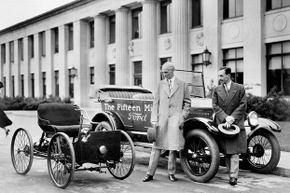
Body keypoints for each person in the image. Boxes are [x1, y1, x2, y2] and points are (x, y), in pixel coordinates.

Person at [143, 62, 190, 182]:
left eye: (166, 72)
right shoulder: (160, 84)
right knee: (157, 146)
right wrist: (154, 119)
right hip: (161, 119)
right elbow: (155, 103)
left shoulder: (183, 85)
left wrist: (182, 117)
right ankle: (149, 173)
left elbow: (187, 103)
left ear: (172, 71)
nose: (164, 74)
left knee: (173, 148)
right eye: (163, 72)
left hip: (176, 119)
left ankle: (171, 173)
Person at [212, 67, 247, 186]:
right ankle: (230, 173)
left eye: (221, 76)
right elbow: (215, 106)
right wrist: (225, 118)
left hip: (235, 123)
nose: (219, 78)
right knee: (227, 150)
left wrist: (232, 118)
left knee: (235, 151)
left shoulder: (240, 88)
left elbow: (243, 105)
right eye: (218, 76)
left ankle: (233, 176)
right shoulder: (216, 90)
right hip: (223, 123)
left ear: (228, 75)